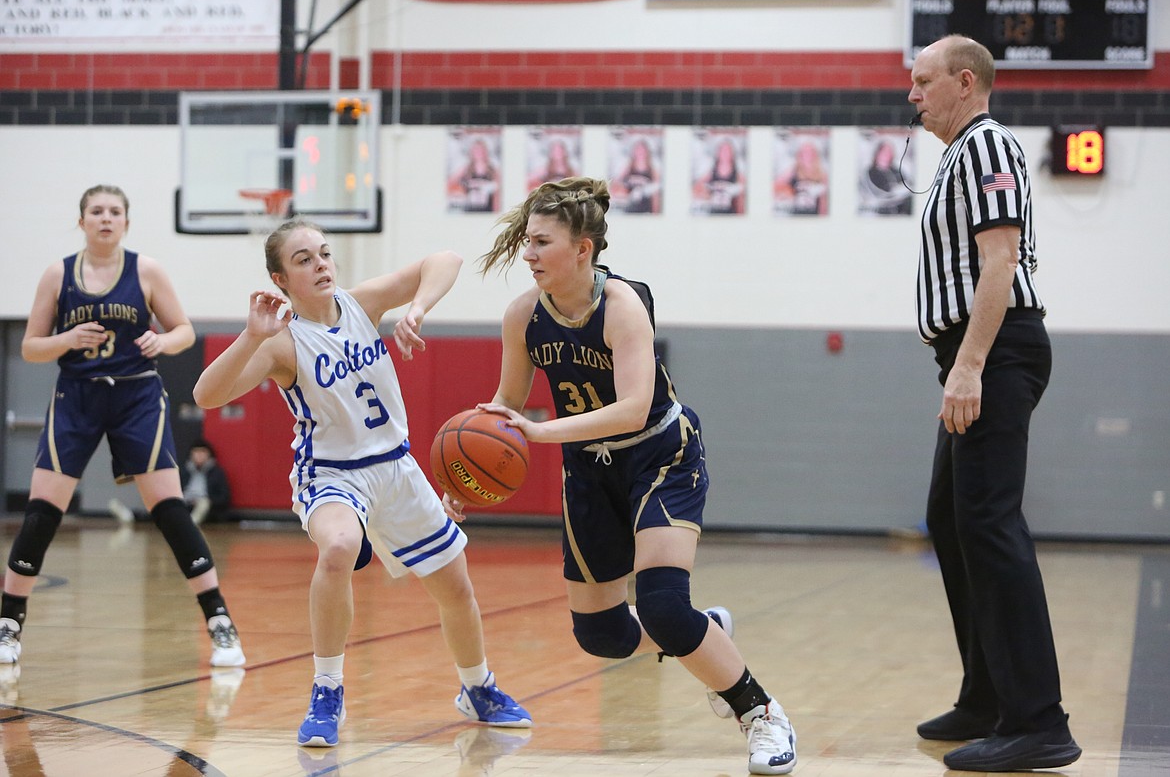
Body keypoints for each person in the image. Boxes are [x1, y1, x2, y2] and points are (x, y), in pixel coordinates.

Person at [454, 177, 796, 775]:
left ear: (583, 249)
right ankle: (707, 632)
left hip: (658, 454)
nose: (527, 254)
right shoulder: (522, 316)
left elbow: (634, 407)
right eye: (526, 242)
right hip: (589, 469)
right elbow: (505, 408)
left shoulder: (622, 305)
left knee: (663, 607)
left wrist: (539, 431)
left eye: (541, 242)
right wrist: (463, 479)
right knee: (603, 636)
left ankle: (760, 713)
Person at [192, 219, 531, 748]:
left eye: (324, 253)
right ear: (280, 279)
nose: (321, 264)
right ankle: (328, 690)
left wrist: (417, 306)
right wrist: (250, 335)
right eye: (303, 259)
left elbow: (447, 260)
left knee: (456, 588)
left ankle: (476, 687)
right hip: (330, 473)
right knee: (340, 548)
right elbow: (206, 395)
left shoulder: (360, 304)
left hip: (396, 468)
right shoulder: (280, 342)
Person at [907, 35, 1080, 772]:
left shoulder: (986, 146)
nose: (912, 94)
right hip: (981, 352)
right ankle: (986, 696)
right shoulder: (961, 154)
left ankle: (1039, 721)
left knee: (989, 521)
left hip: (997, 349)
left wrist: (971, 364)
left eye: (922, 82)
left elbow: (1000, 260)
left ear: (965, 82)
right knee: (953, 515)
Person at [0, 184, 245, 670]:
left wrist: (164, 341)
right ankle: (9, 624)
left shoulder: (146, 270)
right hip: (77, 394)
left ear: (126, 223)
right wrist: (66, 338)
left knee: (171, 510)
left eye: (115, 211)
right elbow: (30, 347)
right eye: (96, 211)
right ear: (82, 220)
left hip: (135, 394)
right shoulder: (58, 274)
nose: (106, 218)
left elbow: (185, 332)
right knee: (43, 510)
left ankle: (219, 622)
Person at [180, 438, 232, 525]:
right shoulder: (184, 471)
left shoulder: (217, 473)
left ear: (209, 454)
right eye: (196, 452)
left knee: (203, 503)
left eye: (203, 452)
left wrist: (209, 501)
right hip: (186, 502)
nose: (199, 455)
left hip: (206, 505)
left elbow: (224, 497)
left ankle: (190, 525)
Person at [774, 139, 828, 216]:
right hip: (797, 215)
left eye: (810, 152)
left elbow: (823, 201)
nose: (807, 155)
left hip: (813, 216)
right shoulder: (793, 170)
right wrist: (788, 193)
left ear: (815, 154)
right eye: (804, 152)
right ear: (800, 154)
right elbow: (777, 184)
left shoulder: (822, 174)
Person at [859, 138, 912, 215]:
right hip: (880, 211)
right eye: (884, 152)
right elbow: (879, 192)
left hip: (899, 209)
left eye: (889, 153)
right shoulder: (870, 172)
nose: (887, 155)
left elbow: (908, 184)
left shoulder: (896, 170)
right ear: (878, 153)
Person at [693, 138, 745, 215]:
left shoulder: (737, 169)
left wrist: (731, 189)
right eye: (723, 150)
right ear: (718, 152)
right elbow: (698, 186)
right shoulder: (711, 168)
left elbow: (743, 186)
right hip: (713, 210)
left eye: (727, 150)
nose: (725, 153)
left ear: (732, 153)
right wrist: (710, 189)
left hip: (730, 211)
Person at [448, 137, 500, 213]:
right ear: (472, 152)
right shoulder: (466, 169)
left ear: (485, 151)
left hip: (487, 211)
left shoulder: (493, 170)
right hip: (470, 211)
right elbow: (450, 182)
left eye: (481, 150)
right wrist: (461, 191)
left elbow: (497, 194)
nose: (478, 152)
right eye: (476, 150)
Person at [612, 138, 661, 214]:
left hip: (646, 211)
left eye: (642, 150)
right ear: (633, 152)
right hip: (629, 210)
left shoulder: (653, 170)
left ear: (647, 152)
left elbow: (656, 195)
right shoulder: (628, 168)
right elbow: (616, 186)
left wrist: (656, 214)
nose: (640, 152)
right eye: (637, 150)